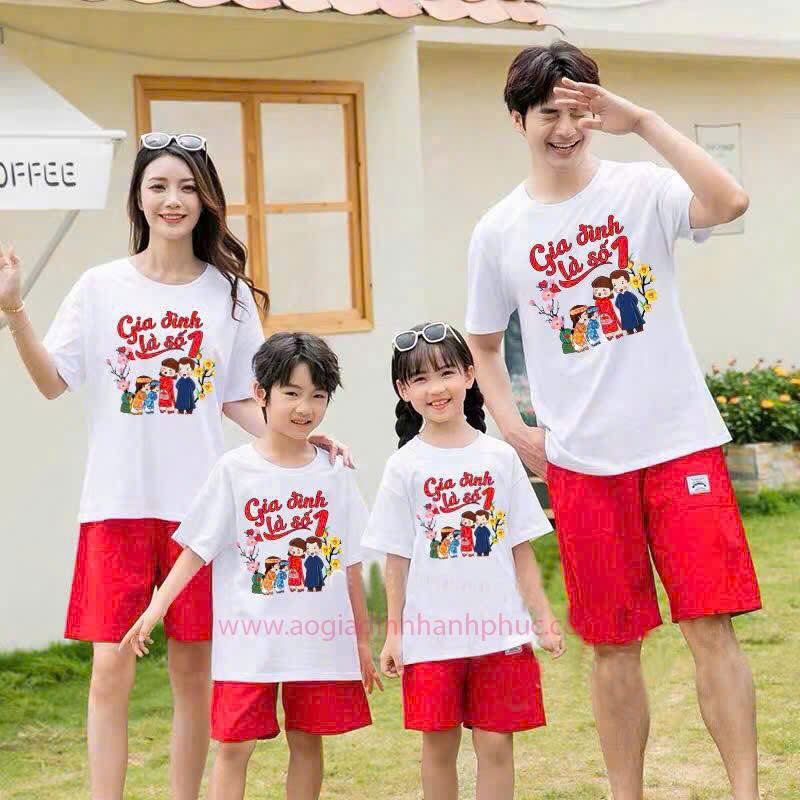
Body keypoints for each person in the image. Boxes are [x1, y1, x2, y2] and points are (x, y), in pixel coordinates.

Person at [0, 133, 351, 800]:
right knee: (109, 671)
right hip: (115, 504)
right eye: (159, 186)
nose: (174, 200)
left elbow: (240, 399)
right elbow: (51, 382)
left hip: (201, 512)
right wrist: (15, 309)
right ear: (138, 197)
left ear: (206, 200)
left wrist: (301, 440)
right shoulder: (100, 287)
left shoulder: (229, 295)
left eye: (188, 188)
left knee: (195, 675)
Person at [465, 41, 760, 800]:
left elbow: (729, 202)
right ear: (517, 119)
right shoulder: (499, 229)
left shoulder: (642, 188)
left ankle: (747, 792)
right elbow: (483, 343)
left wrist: (646, 122)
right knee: (613, 645)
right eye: (548, 114)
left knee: (710, 628)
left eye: (579, 112)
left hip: (680, 445)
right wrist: (514, 430)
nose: (565, 129)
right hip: (585, 464)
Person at [121, 332, 381, 800]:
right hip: (248, 643)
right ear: (261, 393)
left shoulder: (334, 472)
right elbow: (196, 549)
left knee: (308, 741)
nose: (304, 408)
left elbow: (351, 565)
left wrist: (361, 642)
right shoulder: (234, 470)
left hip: (318, 641)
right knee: (234, 747)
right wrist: (155, 609)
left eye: (317, 396)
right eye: (292, 393)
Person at [362, 322, 564, 800]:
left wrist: (543, 618)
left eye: (446, 373)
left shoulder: (500, 458)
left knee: (496, 746)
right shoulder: (403, 466)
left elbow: (520, 549)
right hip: (431, 638)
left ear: (470, 375)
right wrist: (394, 633)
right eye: (420, 379)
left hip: (500, 633)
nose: (436, 388)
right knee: (438, 747)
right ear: (403, 390)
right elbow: (397, 559)